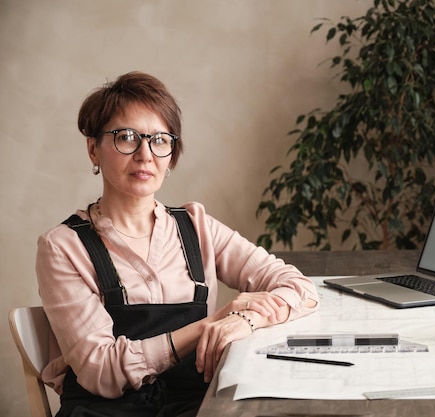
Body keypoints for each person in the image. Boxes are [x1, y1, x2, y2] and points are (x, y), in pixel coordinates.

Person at [35, 71, 319, 417]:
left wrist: (245, 321)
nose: (145, 154)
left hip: (196, 408)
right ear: (93, 148)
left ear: (171, 154)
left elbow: (300, 288)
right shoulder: (63, 247)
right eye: (126, 137)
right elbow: (101, 371)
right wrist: (209, 325)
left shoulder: (196, 227)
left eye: (160, 140)